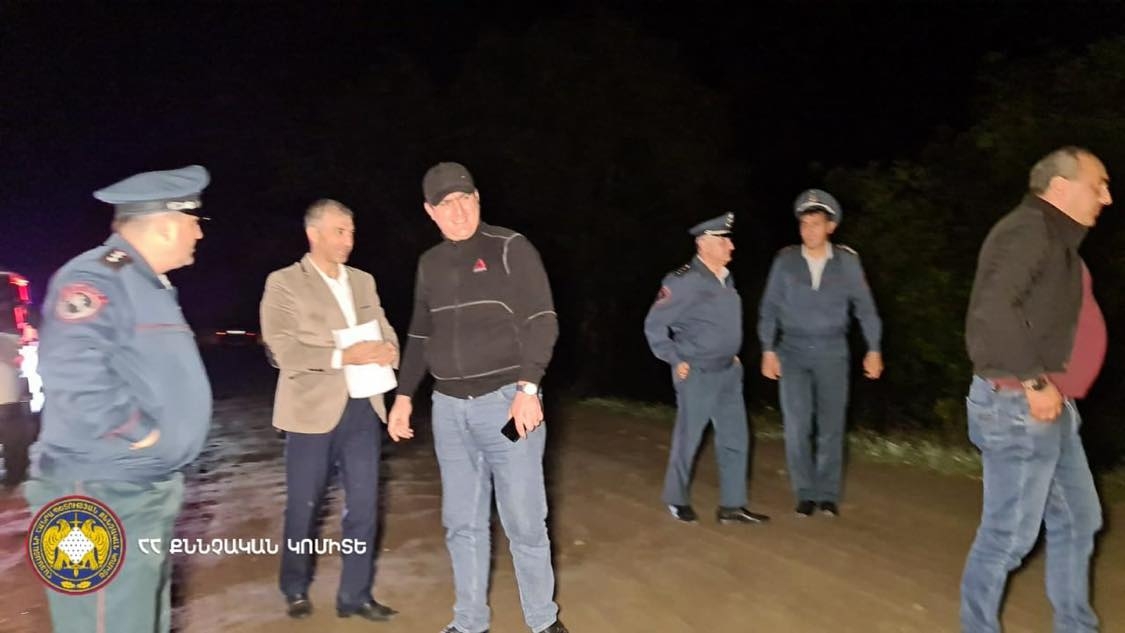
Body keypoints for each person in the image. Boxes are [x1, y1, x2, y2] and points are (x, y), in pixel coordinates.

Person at [23, 165, 213, 633]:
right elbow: (72, 368)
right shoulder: (96, 276)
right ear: (165, 224)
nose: (199, 234)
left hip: (136, 492)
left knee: (140, 620)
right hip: (98, 493)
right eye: (194, 222)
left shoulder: (146, 283)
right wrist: (138, 431)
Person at [386, 162, 568, 633]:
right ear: (430, 211)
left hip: (508, 405)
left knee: (524, 520)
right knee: (462, 523)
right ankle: (469, 622)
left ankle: (543, 621)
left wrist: (529, 387)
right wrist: (404, 395)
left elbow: (543, 320)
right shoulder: (429, 264)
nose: (458, 210)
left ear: (478, 199)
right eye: (445, 203)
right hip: (449, 411)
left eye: (464, 199)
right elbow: (419, 335)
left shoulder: (510, 248)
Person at [961, 147, 1111, 633]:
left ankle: (1076, 627)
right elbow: (992, 309)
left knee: (1080, 518)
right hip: (1021, 403)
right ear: (1061, 187)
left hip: (1052, 406)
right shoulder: (1029, 229)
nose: (1107, 197)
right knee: (1007, 537)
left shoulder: (1057, 241)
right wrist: (1034, 380)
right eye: (1098, 185)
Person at [259, 199, 400, 622]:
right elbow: (283, 348)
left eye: (351, 232)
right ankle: (295, 587)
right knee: (304, 506)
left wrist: (390, 349)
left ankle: (356, 595)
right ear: (313, 234)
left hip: (363, 407)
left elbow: (384, 327)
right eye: (339, 231)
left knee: (365, 506)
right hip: (310, 412)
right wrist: (344, 356)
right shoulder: (284, 282)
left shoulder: (363, 281)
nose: (348, 240)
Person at [757, 189, 883, 517]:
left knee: (831, 425)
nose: (809, 230)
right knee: (797, 425)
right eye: (804, 224)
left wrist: (873, 348)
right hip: (792, 351)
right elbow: (769, 308)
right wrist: (768, 349)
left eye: (816, 224)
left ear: (830, 226)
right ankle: (805, 493)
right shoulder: (785, 261)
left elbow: (865, 308)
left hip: (832, 351)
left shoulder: (847, 262)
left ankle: (827, 494)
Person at [643, 212, 770, 526]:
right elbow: (654, 326)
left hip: (728, 372)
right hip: (696, 372)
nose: (731, 246)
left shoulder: (726, 278)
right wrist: (676, 358)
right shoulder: (683, 281)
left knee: (736, 438)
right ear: (703, 244)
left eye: (729, 240)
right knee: (688, 439)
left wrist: (733, 355)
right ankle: (676, 500)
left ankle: (732, 505)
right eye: (724, 241)